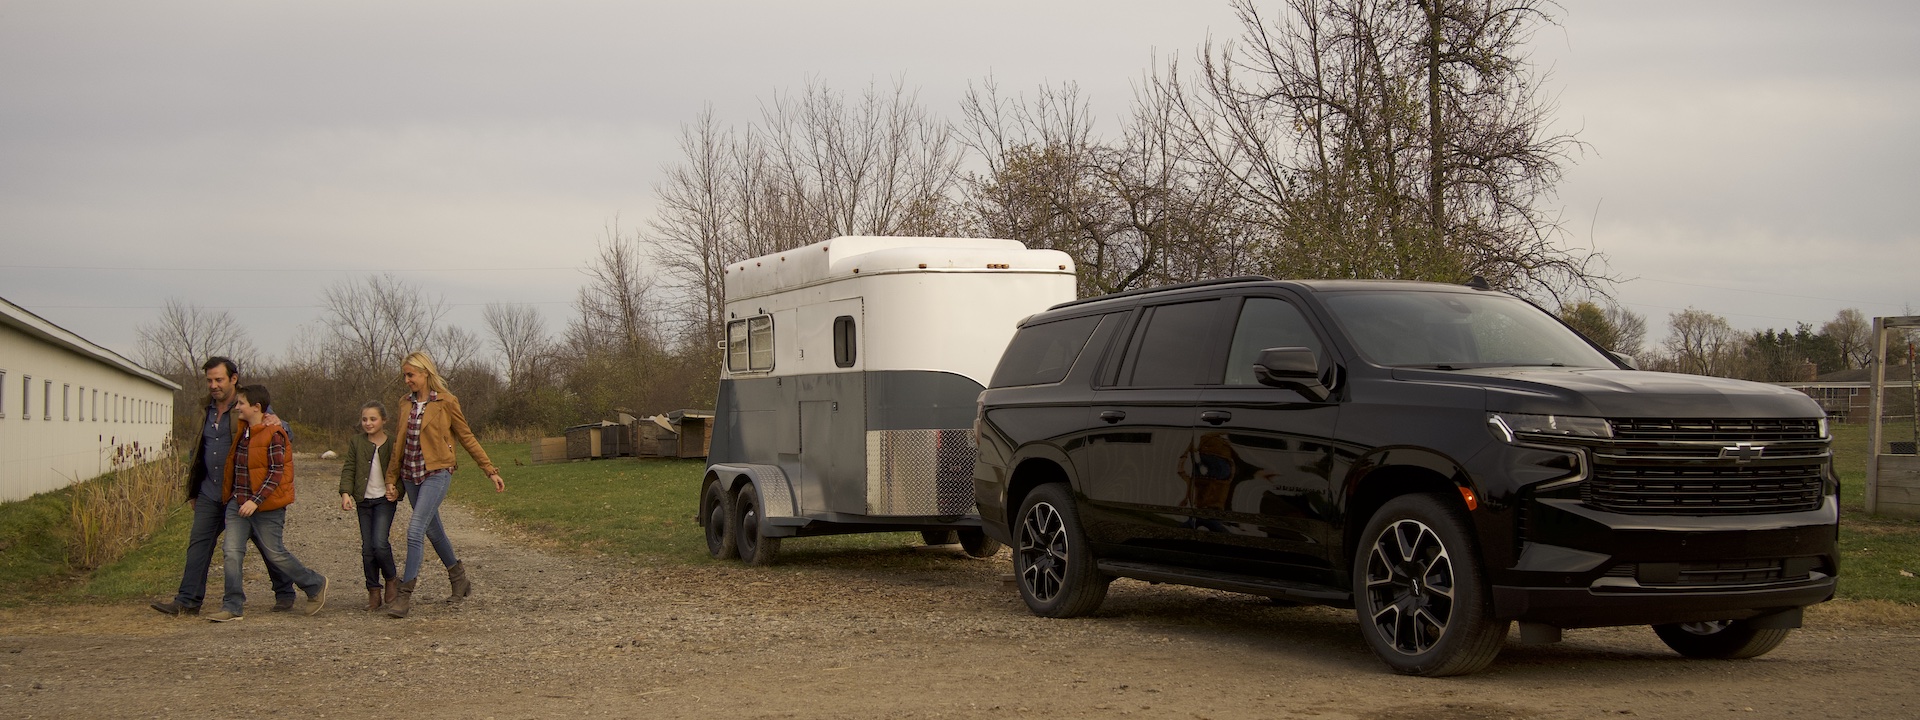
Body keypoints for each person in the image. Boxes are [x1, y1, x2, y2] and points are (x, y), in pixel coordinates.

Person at [151, 357, 296, 616]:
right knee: (199, 543)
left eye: (219, 379)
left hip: (239, 491)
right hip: (209, 490)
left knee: (263, 542)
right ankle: (188, 601)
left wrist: (278, 423)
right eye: (209, 380)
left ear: (233, 379)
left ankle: (285, 592)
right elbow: (197, 452)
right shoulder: (202, 409)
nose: (214, 385)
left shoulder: (248, 405)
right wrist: (193, 490)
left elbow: (285, 436)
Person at [384, 351, 506, 618]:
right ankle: (459, 578)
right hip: (410, 474)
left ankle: (404, 596)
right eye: (405, 375)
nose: (406, 380)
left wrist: (490, 470)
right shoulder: (404, 403)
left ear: (425, 373)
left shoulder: (447, 402)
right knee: (433, 531)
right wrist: (391, 478)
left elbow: (467, 437)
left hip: (437, 473)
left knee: (415, 530)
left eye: (411, 375)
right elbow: (399, 443)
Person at [206, 384, 328, 621]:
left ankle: (314, 584)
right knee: (231, 552)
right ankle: (232, 605)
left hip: (266, 506)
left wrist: (256, 500)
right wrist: (233, 496)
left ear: (256, 407)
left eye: (241, 403)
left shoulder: (274, 434)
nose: (237, 406)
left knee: (275, 554)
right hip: (237, 503)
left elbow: (276, 472)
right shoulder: (243, 432)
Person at [339, 400, 403, 611]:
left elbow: (401, 471)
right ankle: (373, 591)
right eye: (365, 419)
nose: (368, 423)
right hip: (364, 501)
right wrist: (346, 493)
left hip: (385, 500)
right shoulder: (357, 442)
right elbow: (349, 468)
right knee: (367, 549)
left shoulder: (393, 442)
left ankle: (392, 579)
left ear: (384, 420)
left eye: (373, 419)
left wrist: (397, 490)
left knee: (379, 543)